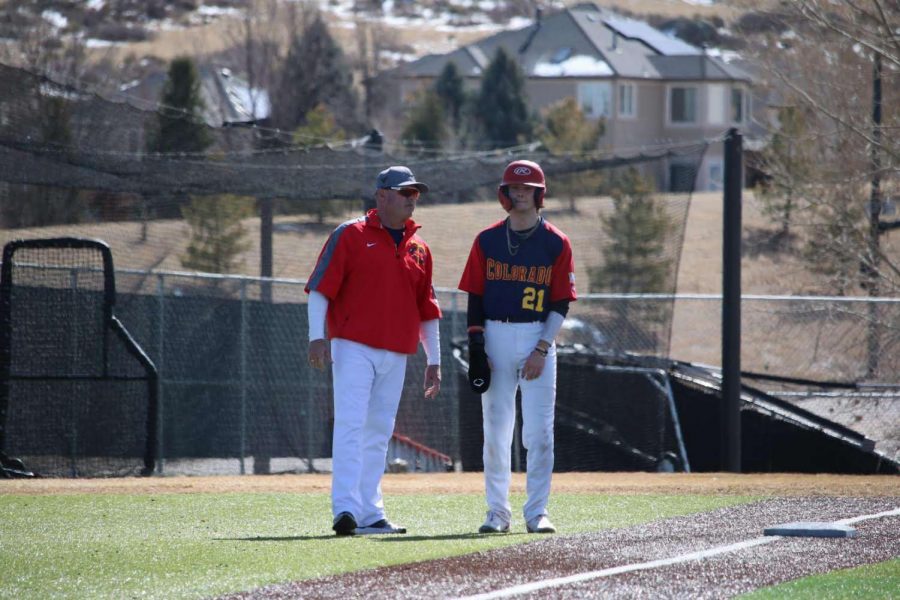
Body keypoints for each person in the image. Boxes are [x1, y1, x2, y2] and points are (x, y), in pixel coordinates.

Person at [306, 165, 442, 536]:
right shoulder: (350, 234)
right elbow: (320, 288)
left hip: (396, 352)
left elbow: (427, 309)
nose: (413, 199)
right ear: (381, 196)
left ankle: (370, 512)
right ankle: (345, 510)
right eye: (405, 193)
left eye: (415, 193)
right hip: (352, 346)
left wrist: (435, 359)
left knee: (379, 431)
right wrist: (316, 336)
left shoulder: (419, 248)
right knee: (351, 424)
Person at [458, 159, 576, 535]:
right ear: (504, 194)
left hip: (536, 336)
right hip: (494, 334)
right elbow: (475, 295)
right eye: (513, 187)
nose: (520, 193)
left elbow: (560, 302)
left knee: (539, 432)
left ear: (540, 194)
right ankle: (497, 512)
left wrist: (542, 348)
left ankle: (537, 511)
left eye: (527, 188)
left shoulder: (556, 242)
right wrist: (477, 346)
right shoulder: (487, 240)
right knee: (495, 430)